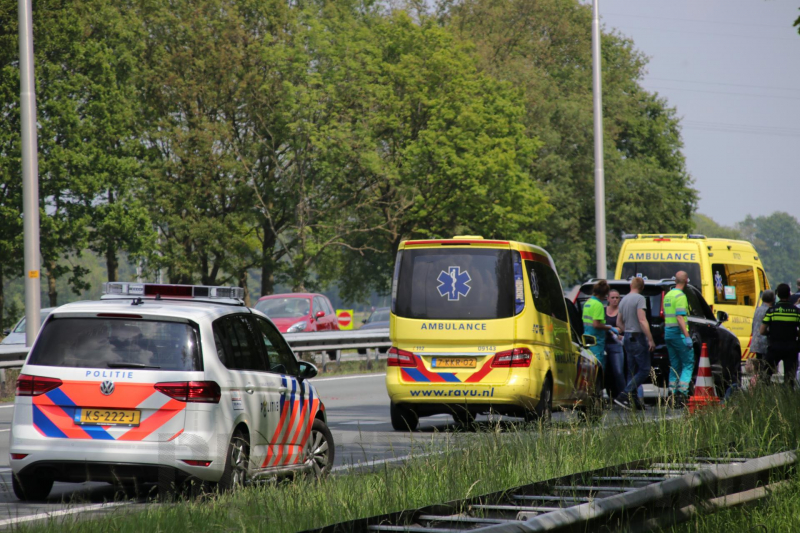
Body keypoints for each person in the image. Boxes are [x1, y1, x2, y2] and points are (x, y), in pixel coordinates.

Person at [613, 277, 656, 410]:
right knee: (644, 369)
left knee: (631, 371)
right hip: (638, 337)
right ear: (642, 287)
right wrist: (650, 339)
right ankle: (625, 394)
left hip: (627, 337)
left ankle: (634, 401)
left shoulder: (624, 299)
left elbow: (618, 322)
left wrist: (627, 331)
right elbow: (642, 320)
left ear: (631, 285)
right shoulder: (639, 299)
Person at [759, 283, 800, 388]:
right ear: (789, 295)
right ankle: (788, 397)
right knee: (789, 378)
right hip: (791, 347)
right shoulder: (796, 311)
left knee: (766, 375)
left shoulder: (772, 311)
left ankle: (767, 395)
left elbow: (762, 330)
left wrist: (771, 333)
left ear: (777, 295)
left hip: (775, 347)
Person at [663, 271, 694, 406]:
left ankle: (672, 393)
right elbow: (680, 317)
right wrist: (687, 336)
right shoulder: (681, 296)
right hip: (678, 334)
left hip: (668, 333)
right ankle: (682, 394)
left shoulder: (668, 294)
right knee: (688, 363)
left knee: (675, 365)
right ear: (686, 281)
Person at [582, 280, 617, 371]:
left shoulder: (588, 303)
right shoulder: (598, 305)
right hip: (596, 341)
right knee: (598, 370)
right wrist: (609, 327)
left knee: (589, 369)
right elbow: (596, 324)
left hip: (587, 339)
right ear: (605, 294)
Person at [749, 290, 774, 384]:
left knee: (758, 367)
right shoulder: (769, 310)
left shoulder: (758, 309)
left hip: (756, 341)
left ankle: (756, 384)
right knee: (766, 367)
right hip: (765, 342)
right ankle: (763, 385)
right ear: (773, 299)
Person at [604, 290, 625, 400]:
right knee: (603, 371)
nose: (615, 300)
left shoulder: (621, 312)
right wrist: (612, 329)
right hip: (603, 344)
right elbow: (600, 325)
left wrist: (609, 328)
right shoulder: (603, 311)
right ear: (608, 299)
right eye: (612, 297)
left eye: (617, 297)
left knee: (618, 371)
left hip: (616, 345)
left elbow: (622, 328)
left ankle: (624, 396)